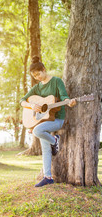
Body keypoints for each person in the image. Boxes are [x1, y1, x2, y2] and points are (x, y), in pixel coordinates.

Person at [20, 56, 76, 187]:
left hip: (57, 119)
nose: (37, 78)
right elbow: (22, 101)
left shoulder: (56, 81)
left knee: (37, 130)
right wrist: (32, 106)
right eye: (35, 76)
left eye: (38, 74)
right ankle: (48, 177)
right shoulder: (37, 88)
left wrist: (70, 103)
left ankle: (55, 141)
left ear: (44, 70)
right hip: (43, 120)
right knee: (45, 149)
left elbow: (64, 97)